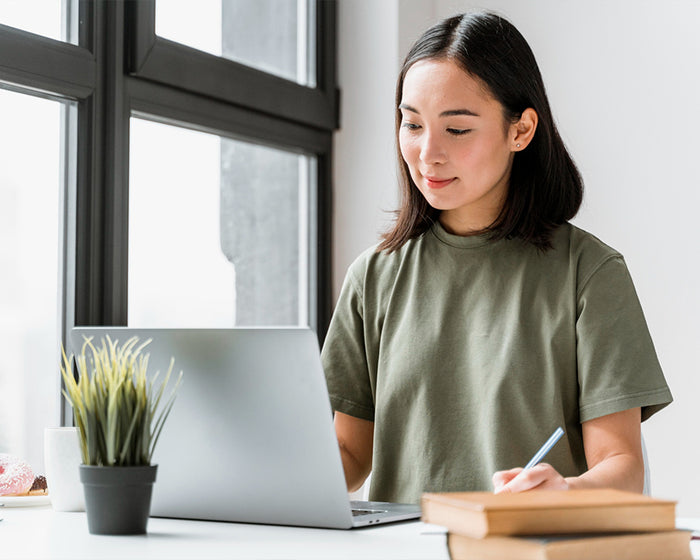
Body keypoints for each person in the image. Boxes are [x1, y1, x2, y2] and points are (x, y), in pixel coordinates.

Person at [321, 11, 672, 505]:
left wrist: (562, 490)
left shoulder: (588, 273)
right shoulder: (374, 276)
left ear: (521, 130)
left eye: (457, 129)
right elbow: (350, 456)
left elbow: (622, 467)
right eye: (412, 123)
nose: (427, 152)